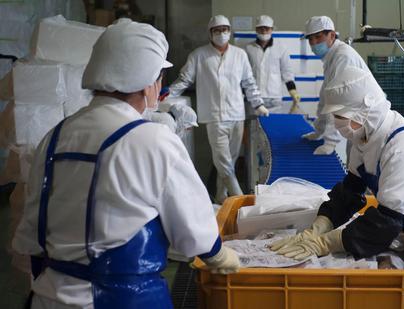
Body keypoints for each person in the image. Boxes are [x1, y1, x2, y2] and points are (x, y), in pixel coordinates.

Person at [12, 19, 239, 309]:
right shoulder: (152, 138)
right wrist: (219, 255)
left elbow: (30, 237)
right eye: (160, 78)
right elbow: (194, 233)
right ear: (148, 83)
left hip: (47, 297)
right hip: (122, 299)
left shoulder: (54, 137)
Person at [270, 66, 404, 308]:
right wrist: (318, 226)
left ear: (364, 112)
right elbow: (349, 192)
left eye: (340, 117)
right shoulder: (363, 137)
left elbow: (385, 223)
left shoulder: (402, 149)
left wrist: (324, 243)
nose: (337, 124)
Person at [166, 15, 268, 203]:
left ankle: (221, 197)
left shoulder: (239, 54)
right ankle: (239, 200)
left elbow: (249, 83)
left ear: (230, 31)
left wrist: (258, 103)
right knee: (224, 162)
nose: (221, 33)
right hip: (214, 116)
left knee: (230, 160)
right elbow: (185, 79)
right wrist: (165, 94)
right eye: (217, 30)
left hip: (237, 115)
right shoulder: (198, 55)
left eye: (225, 29)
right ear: (210, 33)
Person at [302, 16, 369, 155]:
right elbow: (325, 98)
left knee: (358, 165)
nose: (313, 43)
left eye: (318, 37)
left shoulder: (342, 57)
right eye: (310, 39)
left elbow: (338, 103)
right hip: (355, 121)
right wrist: (318, 132)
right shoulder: (331, 58)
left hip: (365, 123)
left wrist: (330, 142)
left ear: (331, 35)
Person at [245, 15, 301, 113]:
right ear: (256, 29)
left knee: (273, 125)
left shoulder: (281, 47)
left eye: (266, 28)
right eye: (261, 28)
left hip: (274, 97)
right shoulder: (249, 48)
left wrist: (292, 90)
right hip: (254, 96)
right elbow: (245, 73)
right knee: (255, 126)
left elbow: (287, 71)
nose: (264, 31)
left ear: (272, 29)